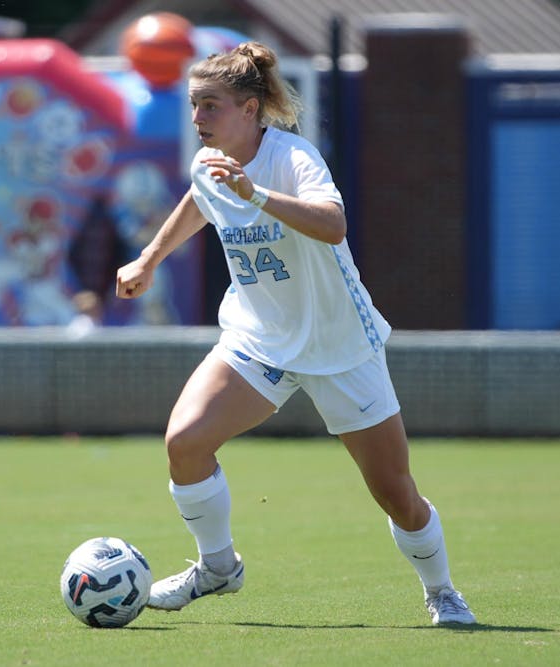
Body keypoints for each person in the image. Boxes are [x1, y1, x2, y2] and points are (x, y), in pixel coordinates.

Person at [115, 42, 476, 626]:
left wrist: (254, 194)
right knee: (185, 442)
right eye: (194, 106)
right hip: (258, 339)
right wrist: (150, 258)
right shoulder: (207, 164)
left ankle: (442, 592)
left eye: (210, 106)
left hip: (339, 345)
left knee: (395, 493)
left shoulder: (294, 157)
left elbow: (334, 226)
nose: (197, 119)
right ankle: (218, 568)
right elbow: (199, 200)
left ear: (250, 110)